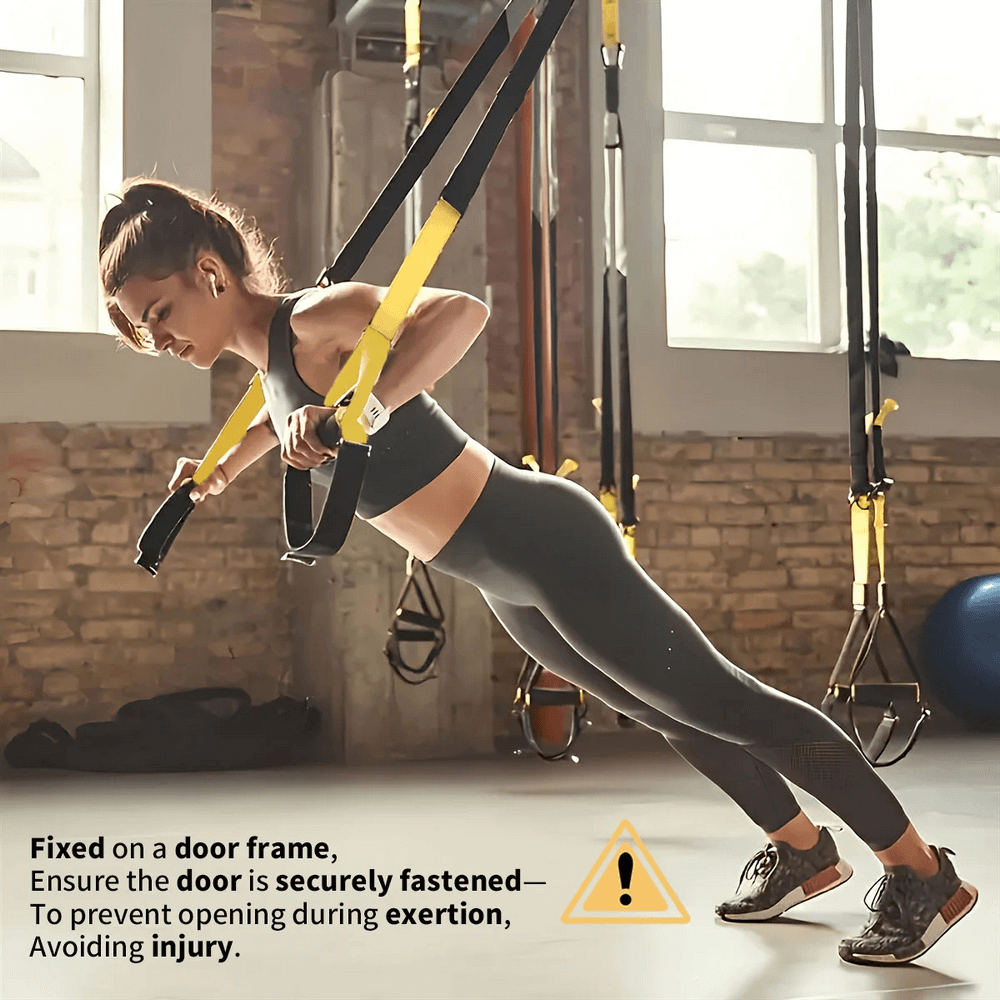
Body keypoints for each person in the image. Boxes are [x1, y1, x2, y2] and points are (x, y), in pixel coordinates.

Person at [100, 177, 978, 966]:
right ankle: (802, 850)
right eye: (142, 325)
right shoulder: (272, 368)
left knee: (725, 700)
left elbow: (458, 313)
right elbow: (279, 415)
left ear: (210, 273)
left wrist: (363, 407)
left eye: (160, 310)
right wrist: (217, 472)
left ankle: (921, 872)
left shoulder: (312, 317)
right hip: (499, 576)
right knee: (657, 706)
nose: (156, 336)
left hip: (540, 540)